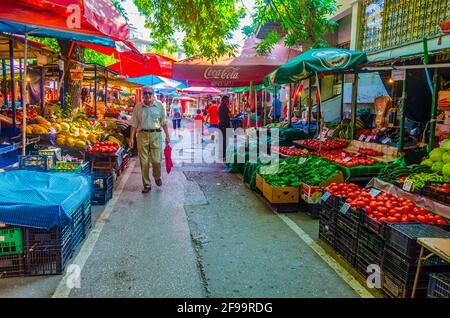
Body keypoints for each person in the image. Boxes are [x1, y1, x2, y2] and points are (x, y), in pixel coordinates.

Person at [129, 86, 170, 194]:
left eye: (149, 93)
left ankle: (157, 176)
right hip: (142, 135)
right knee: (144, 161)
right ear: (142, 94)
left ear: (153, 94)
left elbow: (164, 122)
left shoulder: (159, 105)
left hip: (156, 135)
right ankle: (146, 184)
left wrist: (167, 135)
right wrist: (131, 138)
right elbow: (134, 124)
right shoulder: (138, 107)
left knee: (156, 160)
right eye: (145, 93)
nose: (147, 95)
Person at [218, 95, 232, 160]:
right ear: (224, 100)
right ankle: (224, 155)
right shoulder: (224, 107)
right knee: (225, 141)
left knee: (223, 140)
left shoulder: (221, 106)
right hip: (224, 125)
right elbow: (229, 115)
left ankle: (222, 155)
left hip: (222, 125)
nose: (229, 101)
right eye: (227, 100)